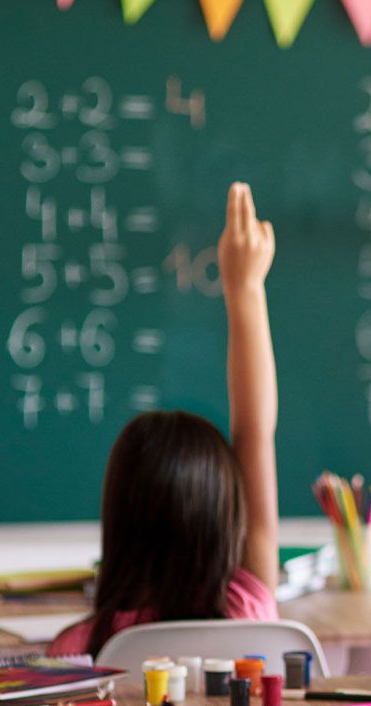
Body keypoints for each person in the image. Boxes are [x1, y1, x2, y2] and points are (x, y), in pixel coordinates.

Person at [49, 183, 280, 657]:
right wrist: (246, 289)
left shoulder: (82, 649)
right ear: (227, 515)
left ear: (118, 517)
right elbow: (255, 432)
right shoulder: (249, 609)